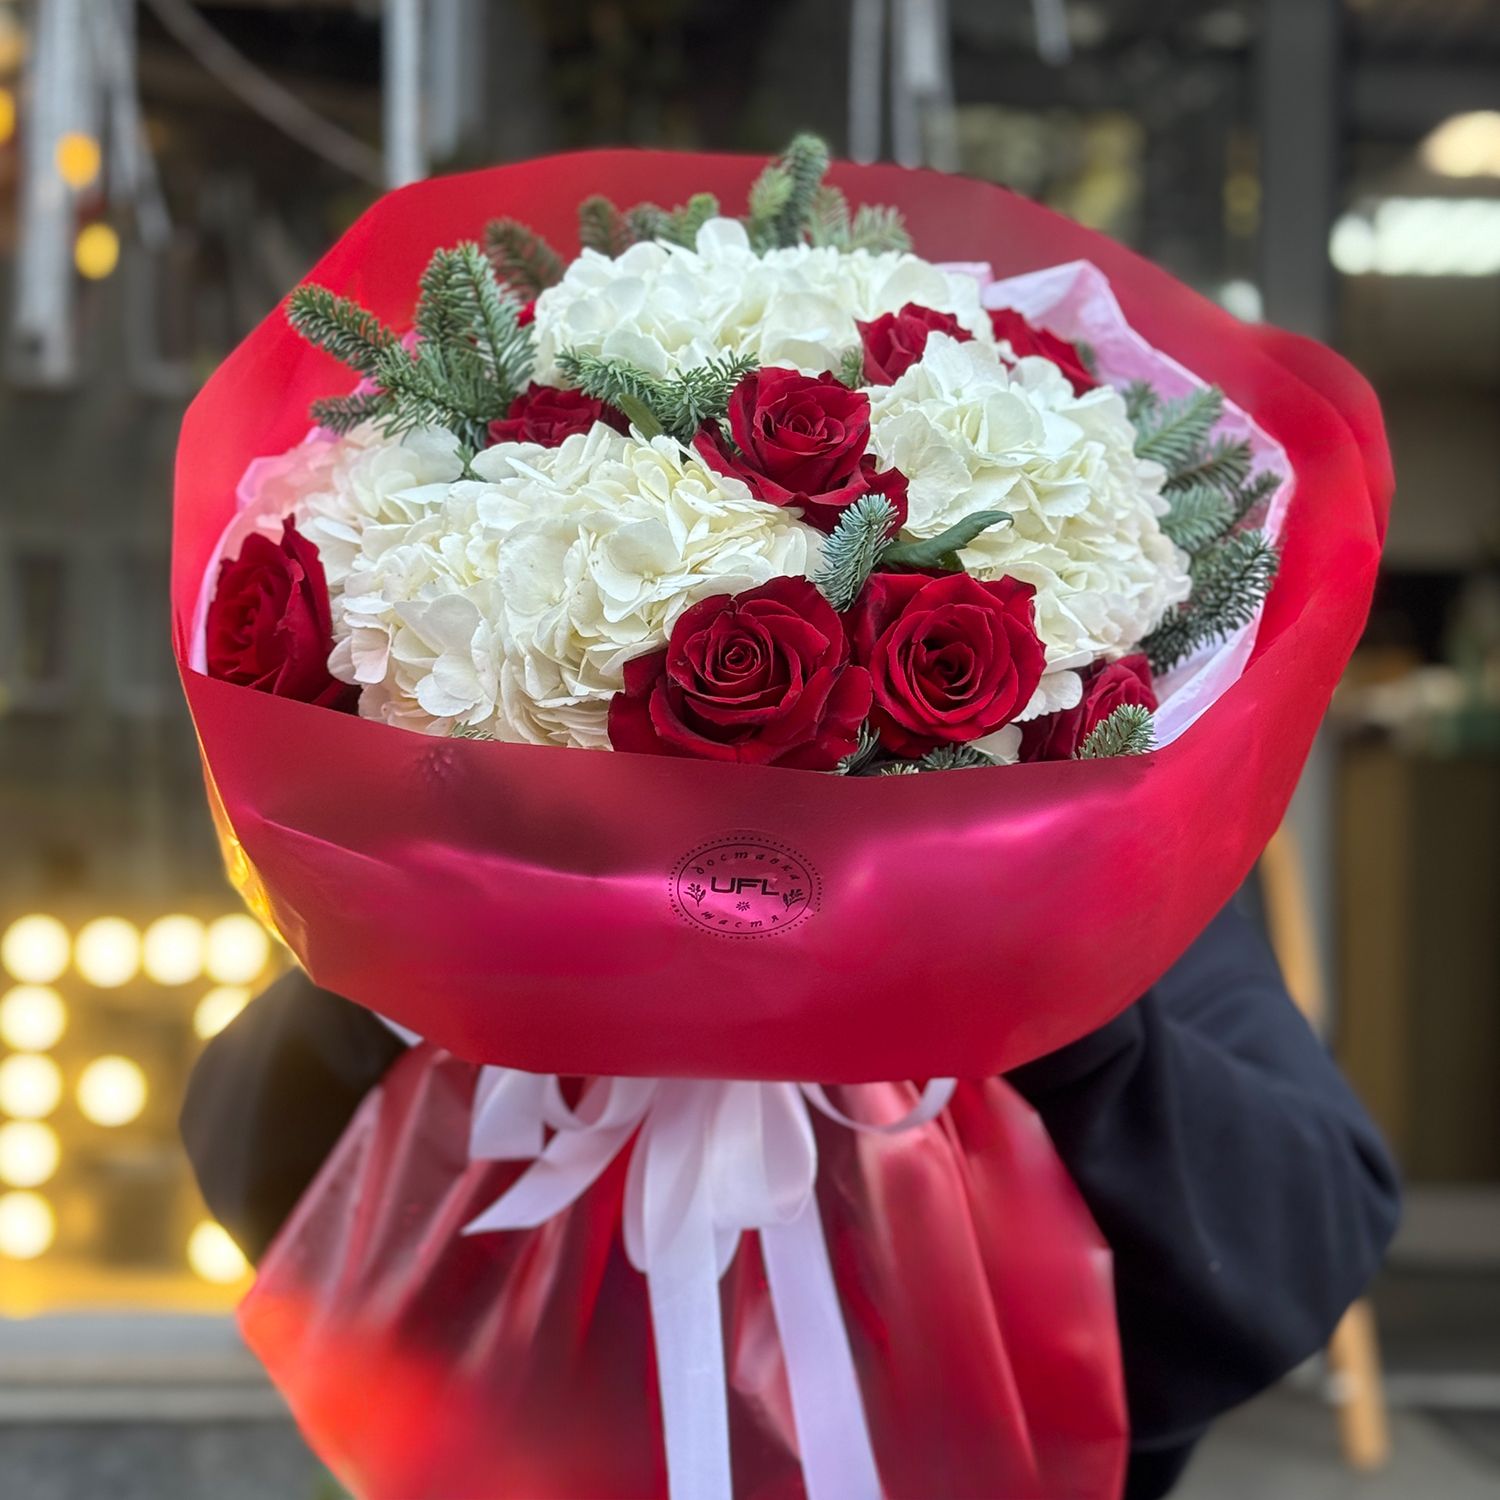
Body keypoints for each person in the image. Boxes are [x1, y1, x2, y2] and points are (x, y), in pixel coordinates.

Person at [181, 896, 1399, 1500]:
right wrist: (420, 920)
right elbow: (273, 1182)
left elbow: (1305, 1234)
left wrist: (1048, 985)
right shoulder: (491, 868)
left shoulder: (1101, 854)